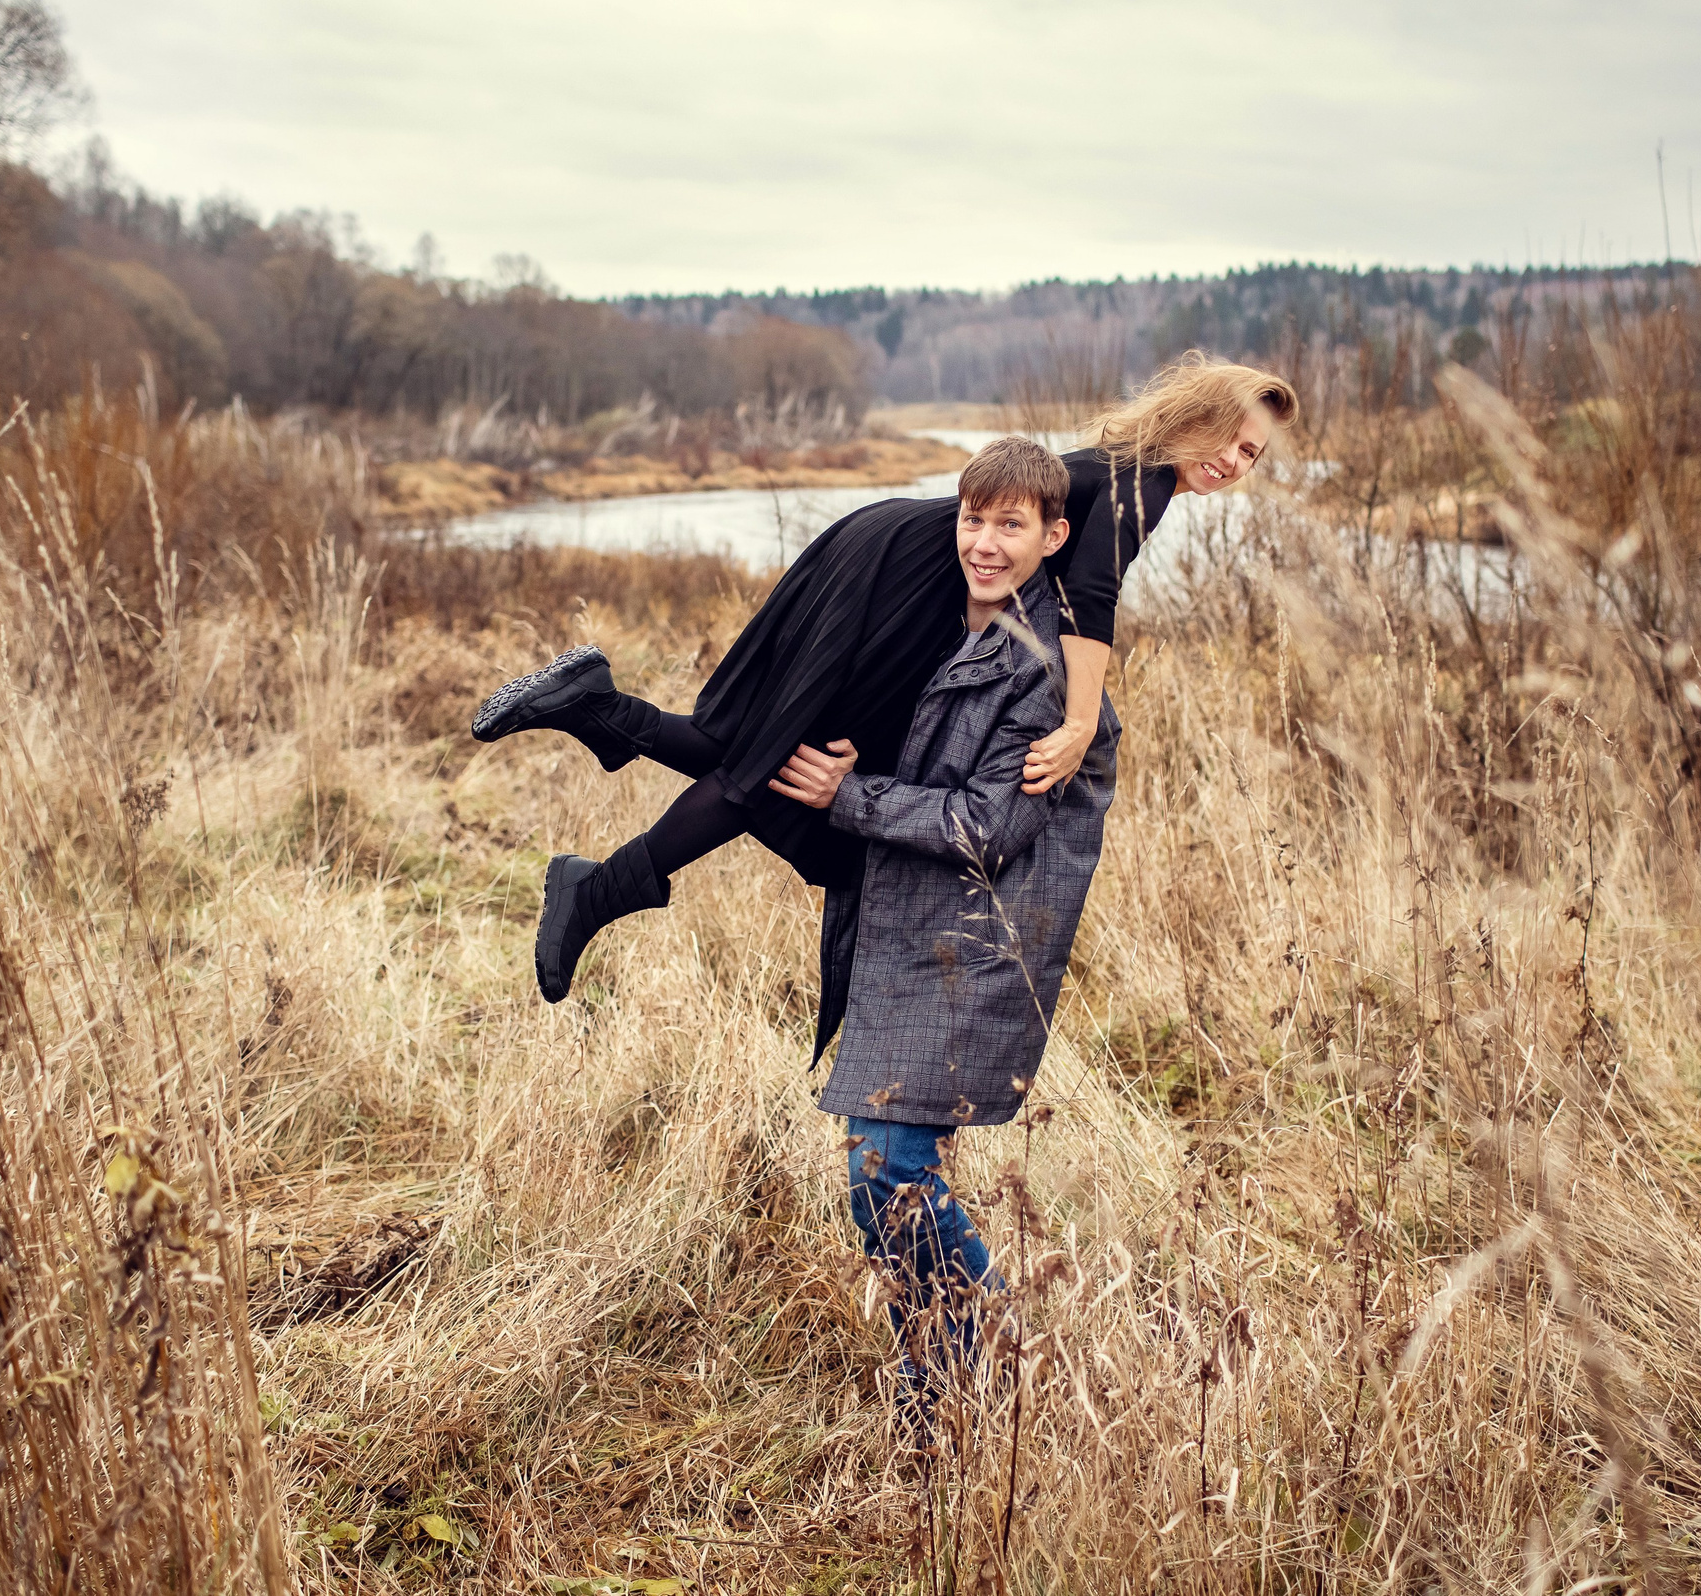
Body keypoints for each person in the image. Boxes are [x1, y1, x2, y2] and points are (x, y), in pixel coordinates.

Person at [470, 350, 1298, 1002]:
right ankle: (597, 891)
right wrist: (1079, 723)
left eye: (1252, 454)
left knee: (747, 745)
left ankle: (594, 706)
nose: (1235, 460)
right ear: (1199, 418)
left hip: (886, 549)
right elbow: (1090, 597)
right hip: (912, 583)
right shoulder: (1145, 481)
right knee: (791, 768)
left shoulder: (1133, 464)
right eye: (1231, 437)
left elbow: (1069, 590)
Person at [766, 435, 1113, 1418]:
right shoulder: (934, 613)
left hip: (974, 949)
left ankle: (987, 1341)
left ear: (1054, 535)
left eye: (1011, 524)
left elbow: (988, 825)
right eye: (973, 518)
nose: (986, 542)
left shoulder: (1043, 671)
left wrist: (848, 795)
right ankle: (941, 1397)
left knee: (888, 1172)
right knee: (890, 1173)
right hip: (905, 932)